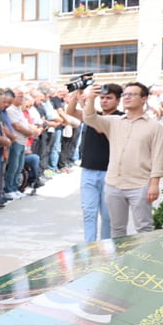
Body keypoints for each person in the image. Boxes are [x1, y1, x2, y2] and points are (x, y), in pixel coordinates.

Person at [81, 82, 163, 237]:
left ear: (144, 99)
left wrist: (154, 185)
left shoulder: (155, 127)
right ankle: (117, 260)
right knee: (117, 228)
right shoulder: (114, 121)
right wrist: (91, 99)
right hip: (114, 184)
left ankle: (145, 260)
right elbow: (89, 118)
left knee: (144, 228)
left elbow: (158, 157)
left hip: (139, 185)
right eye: (125, 94)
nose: (127, 97)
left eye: (132, 94)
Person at [66, 83, 122, 242]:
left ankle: (106, 246)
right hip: (88, 171)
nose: (104, 101)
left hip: (109, 173)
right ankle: (89, 247)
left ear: (118, 100)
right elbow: (70, 111)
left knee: (107, 215)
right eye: (102, 98)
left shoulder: (120, 117)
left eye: (109, 98)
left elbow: (98, 126)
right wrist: (77, 95)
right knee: (89, 212)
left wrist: (86, 102)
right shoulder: (93, 114)